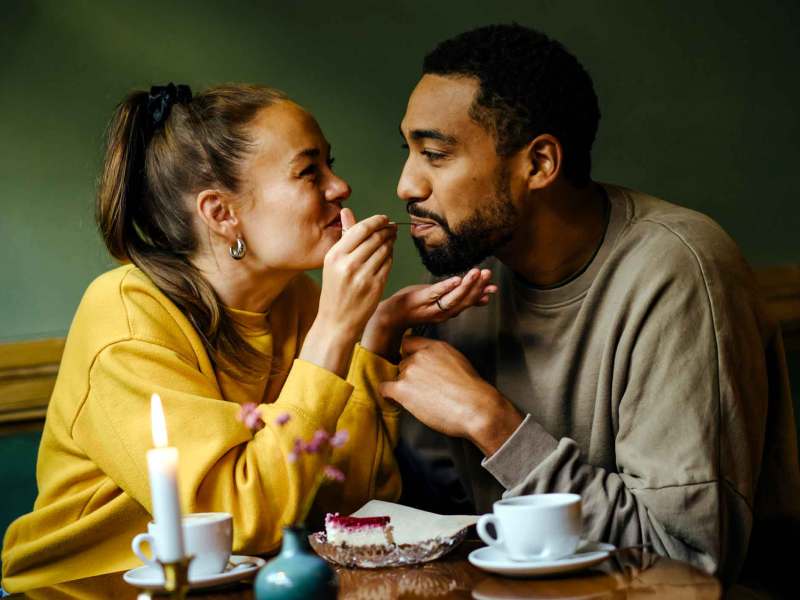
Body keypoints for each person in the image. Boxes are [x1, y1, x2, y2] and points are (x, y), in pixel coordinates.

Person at [0, 83, 492, 592]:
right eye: (309, 171)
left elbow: (349, 506)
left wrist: (370, 337)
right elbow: (236, 523)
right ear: (220, 212)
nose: (339, 186)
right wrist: (335, 330)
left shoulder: (297, 299)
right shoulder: (126, 319)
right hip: (84, 588)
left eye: (330, 164)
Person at [379, 24, 800, 590]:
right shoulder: (468, 279)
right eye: (408, 151)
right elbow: (437, 522)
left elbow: (687, 563)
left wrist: (494, 425)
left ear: (540, 163)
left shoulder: (678, 271)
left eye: (435, 154)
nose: (406, 183)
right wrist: (370, 341)